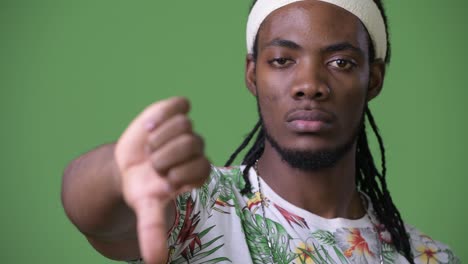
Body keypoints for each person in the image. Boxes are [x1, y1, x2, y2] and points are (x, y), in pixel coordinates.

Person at [61, 0, 459, 263]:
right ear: (253, 73)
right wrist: (116, 174)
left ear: (374, 79)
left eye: (340, 62)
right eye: (283, 59)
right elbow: (96, 214)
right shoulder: (200, 208)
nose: (309, 84)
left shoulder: (429, 257)